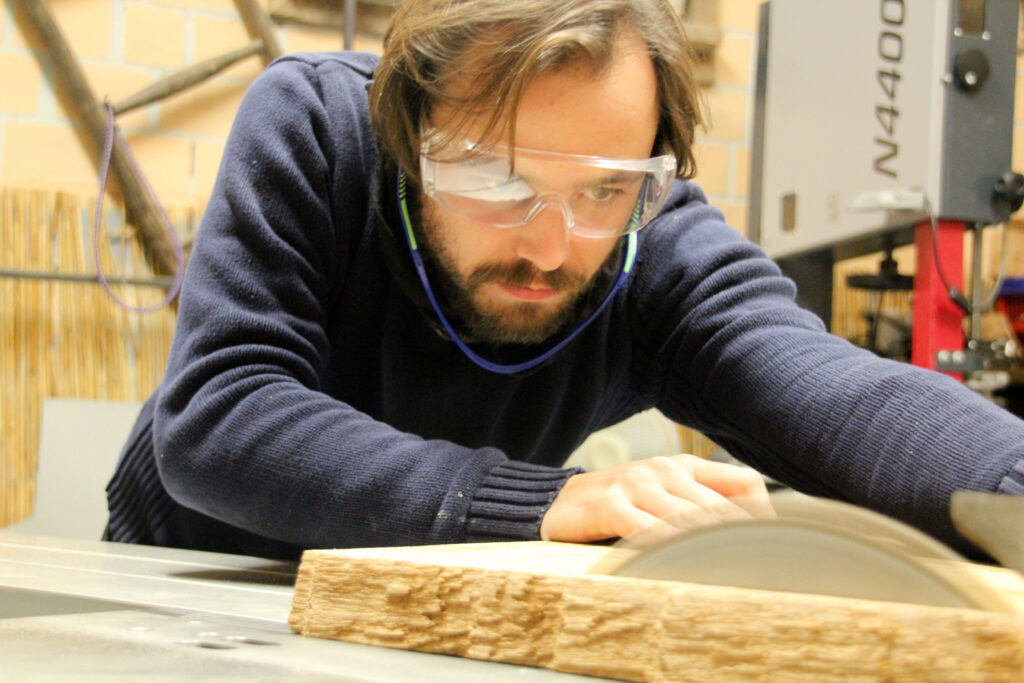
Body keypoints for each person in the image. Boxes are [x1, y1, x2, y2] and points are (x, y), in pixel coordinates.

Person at [105, 0, 1024, 561]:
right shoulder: (314, 124)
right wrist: (545, 499)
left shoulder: (652, 241)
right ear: (408, 137)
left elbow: (834, 395)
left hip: (417, 593)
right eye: (497, 180)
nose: (550, 248)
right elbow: (220, 415)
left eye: (602, 189)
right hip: (194, 573)